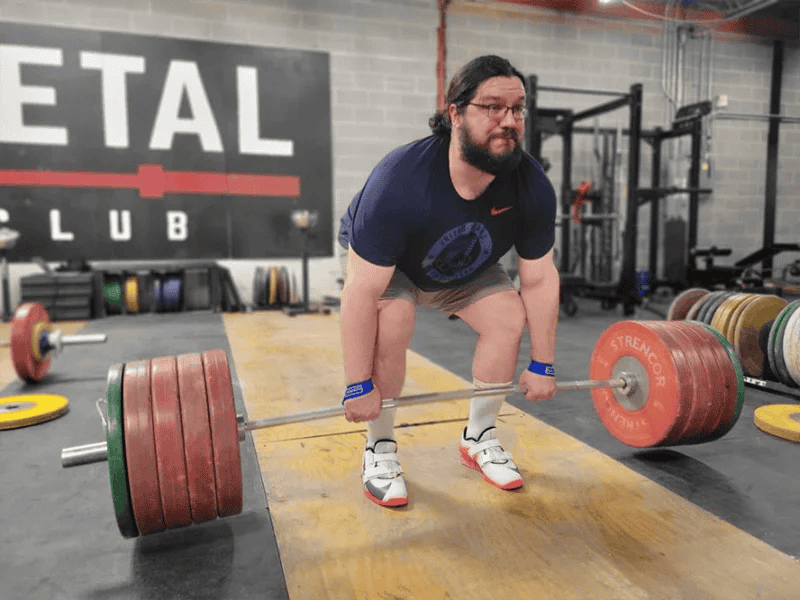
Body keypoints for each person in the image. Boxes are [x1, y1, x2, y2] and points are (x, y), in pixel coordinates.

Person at [338, 55, 560, 508]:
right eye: (493, 107)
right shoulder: (399, 180)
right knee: (393, 316)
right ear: (455, 113)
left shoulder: (531, 184)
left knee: (506, 317)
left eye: (517, 109)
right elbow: (361, 289)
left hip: (464, 266)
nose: (509, 121)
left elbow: (538, 280)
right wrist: (358, 383)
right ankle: (379, 447)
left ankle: (478, 438)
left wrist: (544, 362)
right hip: (393, 267)